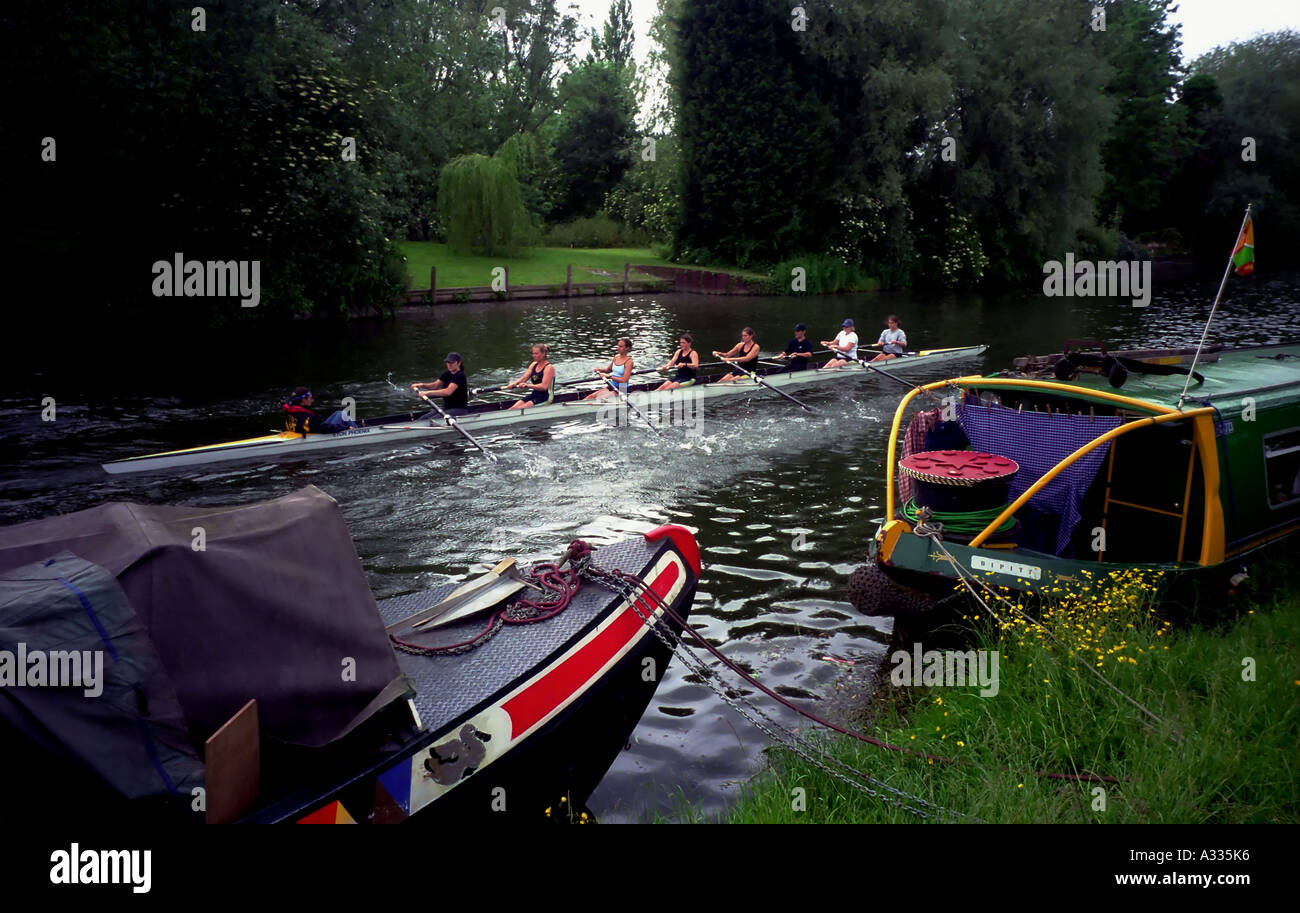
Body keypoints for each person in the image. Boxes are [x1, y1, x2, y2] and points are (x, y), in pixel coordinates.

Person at [281, 388, 358, 434]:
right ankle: (357, 432)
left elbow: (319, 424)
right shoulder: (307, 417)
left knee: (338, 413)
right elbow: (324, 428)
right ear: (303, 400)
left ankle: (355, 426)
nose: (312, 400)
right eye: (310, 398)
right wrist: (345, 428)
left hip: (304, 431)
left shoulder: (290, 411)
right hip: (316, 433)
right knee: (343, 413)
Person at [504, 344, 556, 410]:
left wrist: (527, 385)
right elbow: (523, 378)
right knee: (512, 409)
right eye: (533, 353)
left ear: (543, 354)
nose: (533, 355)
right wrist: (514, 384)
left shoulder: (549, 368)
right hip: (534, 395)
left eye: (536, 353)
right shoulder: (533, 364)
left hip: (546, 398)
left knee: (518, 410)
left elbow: (543, 387)